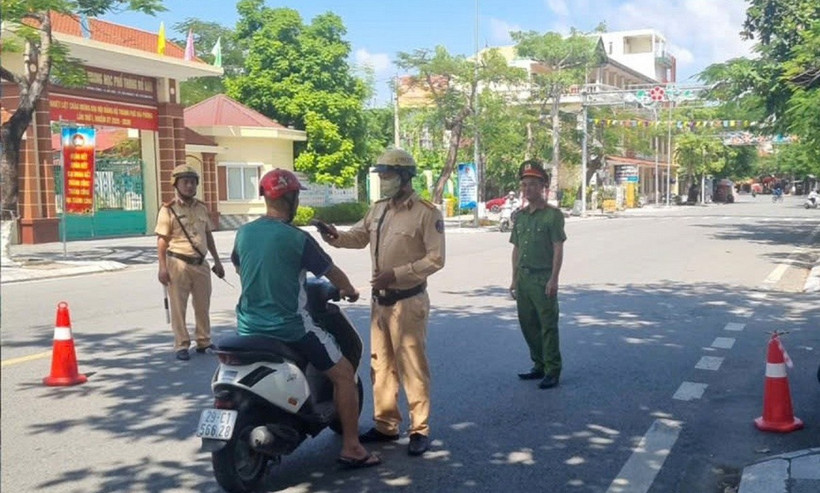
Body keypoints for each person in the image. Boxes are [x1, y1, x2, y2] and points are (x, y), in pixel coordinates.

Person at [230, 169, 380, 469]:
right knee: (344, 373)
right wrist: (349, 290)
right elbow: (331, 272)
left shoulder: (244, 232)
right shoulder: (296, 238)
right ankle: (352, 447)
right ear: (292, 198)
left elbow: (238, 264)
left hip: (247, 328)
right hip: (290, 328)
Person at [318, 148, 445, 457]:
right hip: (381, 303)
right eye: (381, 176)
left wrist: (397, 274)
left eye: (387, 176)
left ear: (404, 178)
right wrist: (334, 236)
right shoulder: (379, 210)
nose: (382, 181)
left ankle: (420, 429)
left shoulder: (427, 213)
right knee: (381, 365)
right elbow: (359, 236)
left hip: (408, 301)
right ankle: (386, 424)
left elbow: (436, 258)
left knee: (413, 366)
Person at [156, 164, 224, 361]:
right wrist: (162, 268)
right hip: (178, 263)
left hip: (201, 263)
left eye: (193, 182)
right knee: (179, 306)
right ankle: (181, 344)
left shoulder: (202, 207)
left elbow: (208, 236)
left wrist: (217, 261)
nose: (189, 186)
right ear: (176, 184)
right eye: (185, 182)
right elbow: (161, 240)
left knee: (203, 305)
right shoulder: (168, 210)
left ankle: (204, 341)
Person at [509, 159, 567, 390]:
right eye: (524, 185)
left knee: (548, 325)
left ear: (543, 187)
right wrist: (513, 279)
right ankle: (539, 364)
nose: (527, 189)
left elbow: (558, 247)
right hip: (523, 278)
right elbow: (516, 249)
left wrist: (554, 279)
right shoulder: (520, 216)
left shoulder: (552, 216)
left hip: (543, 278)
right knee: (528, 324)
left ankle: (552, 369)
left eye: (532, 184)